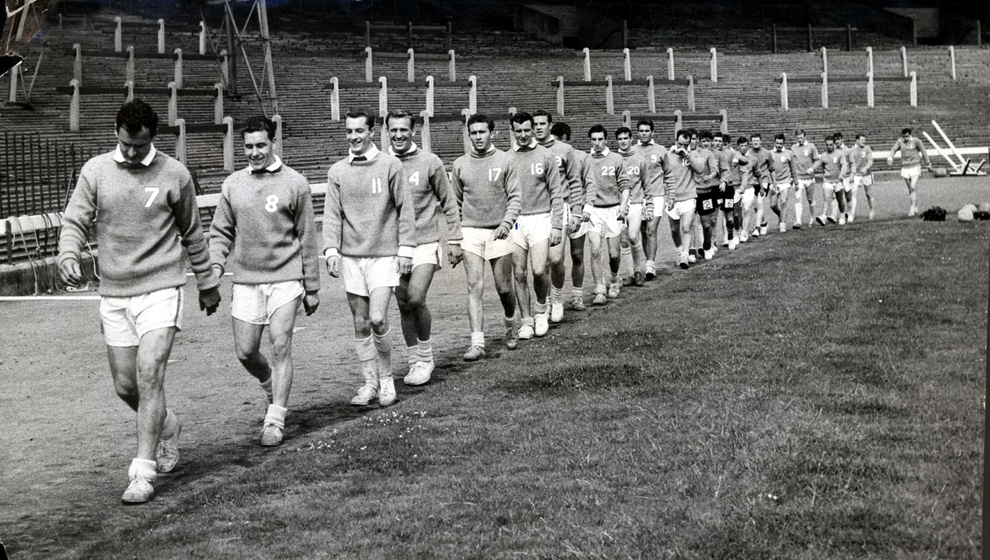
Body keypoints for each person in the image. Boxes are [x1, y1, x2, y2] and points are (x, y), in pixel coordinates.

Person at [57, 99, 221, 504]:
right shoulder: (96, 171)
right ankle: (167, 424)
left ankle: (142, 474)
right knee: (126, 386)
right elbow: (75, 220)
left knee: (150, 374)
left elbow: (192, 233)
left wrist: (207, 282)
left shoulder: (174, 174)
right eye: (125, 144)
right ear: (116, 133)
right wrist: (68, 254)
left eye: (140, 145)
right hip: (115, 291)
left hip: (162, 287)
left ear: (153, 137)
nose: (131, 153)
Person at [209, 116, 320, 447]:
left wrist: (312, 287)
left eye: (260, 145)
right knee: (246, 352)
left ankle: (275, 420)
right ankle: (271, 385)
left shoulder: (295, 183)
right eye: (248, 147)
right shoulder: (233, 184)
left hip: (286, 277)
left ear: (273, 143)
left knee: (280, 344)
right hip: (246, 279)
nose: (254, 152)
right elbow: (220, 231)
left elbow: (307, 238)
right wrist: (215, 265)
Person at [323, 110, 415, 407]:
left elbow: (405, 209)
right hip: (351, 256)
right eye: (349, 131)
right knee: (360, 323)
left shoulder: (390, 165)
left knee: (377, 318)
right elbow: (332, 214)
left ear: (372, 132)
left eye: (359, 131)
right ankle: (369, 383)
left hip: (383, 255)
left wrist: (406, 248)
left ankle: (387, 378)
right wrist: (331, 250)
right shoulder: (337, 171)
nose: (354, 137)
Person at [385, 110, 463, 386]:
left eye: (403, 130)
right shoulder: (383, 164)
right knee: (403, 304)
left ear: (413, 131)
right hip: (394, 246)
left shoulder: (430, 162)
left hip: (425, 242)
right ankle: (413, 360)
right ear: (387, 132)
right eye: (393, 130)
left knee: (416, 298)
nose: (398, 135)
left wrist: (455, 239)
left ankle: (426, 357)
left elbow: (448, 201)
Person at [450, 113, 522, 361]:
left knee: (504, 288)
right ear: (468, 135)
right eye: (474, 133)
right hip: (471, 231)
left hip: (499, 231)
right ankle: (477, 342)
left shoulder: (506, 160)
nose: (478, 137)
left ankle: (511, 322)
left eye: (482, 132)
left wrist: (506, 223)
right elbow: (455, 203)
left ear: (493, 133)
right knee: (474, 286)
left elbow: (515, 197)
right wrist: (454, 238)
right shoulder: (460, 164)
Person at [507, 111, 565, 338]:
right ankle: (526, 320)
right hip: (516, 220)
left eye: (526, 130)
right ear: (513, 131)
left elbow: (556, 193)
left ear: (533, 130)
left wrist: (557, 224)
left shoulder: (546, 156)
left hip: (541, 218)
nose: (523, 135)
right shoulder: (506, 158)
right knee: (519, 273)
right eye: (518, 131)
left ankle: (541, 310)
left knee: (540, 270)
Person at [533, 110, 583, 323]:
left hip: (559, 208)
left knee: (555, 258)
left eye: (542, 123)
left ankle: (558, 298)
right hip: (536, 210)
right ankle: (543, 303)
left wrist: (577, 211)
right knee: (540, 264)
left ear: (550, 125)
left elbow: (575, 181)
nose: (538, 128)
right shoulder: (528, 150)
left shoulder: (565, 150)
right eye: (535, 124)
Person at [550, 121, 597, 311]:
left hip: (577, 209)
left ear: (568, 140)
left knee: (577, 254)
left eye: (561, 140)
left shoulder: (581, 157)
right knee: (556, 258)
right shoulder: (548, 155)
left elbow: (590, 183)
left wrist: (587, 208)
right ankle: (555, 298)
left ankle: (577, 296)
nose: (558, 144)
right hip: (558, 209)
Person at [586, 124, 630, 303]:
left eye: (600, 139)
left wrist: (623, 205)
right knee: (595, 249)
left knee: (614, 254)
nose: (597, 143)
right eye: (594, 140)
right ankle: (599, 288)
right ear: (590, 141)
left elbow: (624, 185)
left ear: (605, 140)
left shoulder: (616, 159)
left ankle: (614, 279)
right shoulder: (585, 160)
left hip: (613, 209)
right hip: (594, 210)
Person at [662, 128, 707, 269]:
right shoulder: (668, 155)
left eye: (685, 145)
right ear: (675, 141)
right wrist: (667, 195)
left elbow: (700, 169)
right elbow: (662, 175)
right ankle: (680, 251)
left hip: (689, 196)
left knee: (686, 227)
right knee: (674, 229)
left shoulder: (693, 154)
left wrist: (687, 155)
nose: (682, 147)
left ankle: (685, 256)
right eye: (680, 144)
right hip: (673, 198)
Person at [615, 126, 655, 285]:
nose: (623, 141)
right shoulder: (614, 159)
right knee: (623, 240)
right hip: (619, 205)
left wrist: (650, 205)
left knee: (633, 236)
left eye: (625, 138)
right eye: (620, 139)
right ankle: (630, 273)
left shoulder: (640, 159)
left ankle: (639, 270)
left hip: (636, 203)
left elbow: (647, 185)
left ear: (631, 139)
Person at [632, 119, 668, 280]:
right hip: (638, 196)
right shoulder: (632, 150)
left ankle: (651, 265)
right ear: (637, 132)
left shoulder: (660, 150)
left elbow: (668, 173)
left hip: (657, 195)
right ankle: (647, 261)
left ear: (653, 132)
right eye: (641, 131)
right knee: (642, 230)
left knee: (651, 229)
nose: (644, 133)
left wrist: (671, 195)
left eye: (647, 130)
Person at [887, 127, 932, 217]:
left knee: (912, 186)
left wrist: (928, 164)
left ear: (910, 135)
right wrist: (890, 158)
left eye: (906, 136)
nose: (905, 138)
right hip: (905, 167)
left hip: (915, 166)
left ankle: (911, 208)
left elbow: (923, 152)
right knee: (911, 189)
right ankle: (915, 206)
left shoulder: (916, 141)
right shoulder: (900, 141)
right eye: (903, 137)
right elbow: (893, 149)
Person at [715, 132, 748, 250]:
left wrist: (737, 159)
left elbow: (745, 160)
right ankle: (719, 239)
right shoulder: (711, 153)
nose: (719, 144)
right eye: (717, 141)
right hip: (715, 187)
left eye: (723, 143)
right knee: (714, 216)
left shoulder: (731, 153)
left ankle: (731, 235)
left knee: (730, 216)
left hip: (728, 187)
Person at [693, 130, 721, 260]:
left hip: (705, 192)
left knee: (707, 223)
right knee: (691, 223)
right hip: (691, 193)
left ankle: (707, 245)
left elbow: (715, 169)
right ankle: (693, 250)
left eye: (707, 141)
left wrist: (710, 176)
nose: (705, 143)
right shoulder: (687, 153)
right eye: (702, 141)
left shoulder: (708, 154)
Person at [745, 133, 774, 238]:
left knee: (760, 202)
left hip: (764, 181)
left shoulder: (767, 153)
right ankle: (764, 222)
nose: (755, 142)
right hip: (752, 181)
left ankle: (757, 228)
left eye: (757, 140)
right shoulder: (748, 153)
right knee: (755, 206)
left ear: (760, 141)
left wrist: (774, 183)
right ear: (751, 142)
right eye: (754, 140)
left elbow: (772, 169)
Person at [790, 129, 820, 229]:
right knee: (798, 198)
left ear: (805, 137)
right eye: (798, 138)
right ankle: (798, 221)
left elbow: (817, 160)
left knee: (810, 199)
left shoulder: (811, 146)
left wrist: (812, 168)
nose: (800, 139)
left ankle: (812, 218)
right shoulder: (793, 147)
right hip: (798, 178)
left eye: (801, 137)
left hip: (809, 178)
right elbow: (791, 162)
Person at [815, 135, 848, 224]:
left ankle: (842, 215)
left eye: (830, 145)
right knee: (827, 198)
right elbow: (820, 166)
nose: (829, 146)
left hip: (838, 181)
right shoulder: (823, 155)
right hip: (827, 181)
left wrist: (842, 175)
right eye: (827, 145)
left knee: (840, 199)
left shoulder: (839, 154)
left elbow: (844, 165)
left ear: (834, 144)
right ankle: (823, 216)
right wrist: (812, 169)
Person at [768, 133, 795, 233]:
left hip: (785, 182)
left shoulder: (789, 153)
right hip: (774, 182)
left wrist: (796, 182)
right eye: (777, 143)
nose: (779, 145)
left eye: (781, 143)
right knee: (773, 205)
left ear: (783, 143)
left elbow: (793, 168)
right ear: (774, 142)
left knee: (783, 202)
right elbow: (767, 168)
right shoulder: (769, 153)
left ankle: (782, 224)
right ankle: (781, 215)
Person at [848, 133, 875, 220]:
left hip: (866, 175)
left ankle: (871, 210)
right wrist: (852, 174)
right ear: (857, 140)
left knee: (868, 194)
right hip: (856, 175)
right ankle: (852, 214)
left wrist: (866, 168)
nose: (864, 141)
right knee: (853, 194)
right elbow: (852, 163)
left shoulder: (867, 148)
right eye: (862, 140)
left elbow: (870, 161)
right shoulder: (852, 150)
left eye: (864, 140)